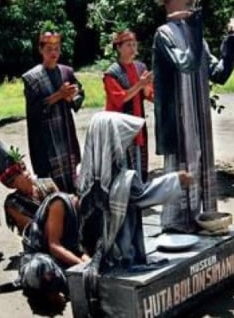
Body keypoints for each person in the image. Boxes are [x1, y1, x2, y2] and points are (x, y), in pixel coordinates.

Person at [153, 0, 234, 233]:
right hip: (179, 124)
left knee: (200, 167)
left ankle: (200, 223)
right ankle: (178, 228)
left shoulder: (196, 38)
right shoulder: (164, 35)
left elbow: (219, 73)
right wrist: (195, 26)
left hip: (199, 122)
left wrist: (233, 40)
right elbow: (187, 64)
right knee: (182, 174)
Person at [77, 112, 192, 270]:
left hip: (95, 249)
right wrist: (177, 180)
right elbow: (143, 194)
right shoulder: (122, 179)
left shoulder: (84, 175)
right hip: (119, 251)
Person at [22, 31, 84, 193]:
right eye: (49, 49)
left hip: (66, 135)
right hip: (45, 141)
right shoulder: (32, 78)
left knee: (73, 184)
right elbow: (33, 111)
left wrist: (71, 98)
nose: (53, 53)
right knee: (51, 190)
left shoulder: (66, 72)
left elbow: (79, 96)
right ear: (41, 50)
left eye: (57, 48)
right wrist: (58, 96)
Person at [18, 192, 87, 306]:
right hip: (43, 257)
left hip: (64, 262)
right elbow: (54, 246)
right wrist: (83, 266)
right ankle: (51, 289)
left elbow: (80, 250)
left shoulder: (89, 214)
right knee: (41, 267)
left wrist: (91, 264)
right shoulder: (60, 203)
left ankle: (61, 287)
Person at [103, 30, 154, 181]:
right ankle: (125, 200)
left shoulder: (140, 68)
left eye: (134, 44)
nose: (132, 48)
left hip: (138, 124)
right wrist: (140, 84)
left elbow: (149, 95)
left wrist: (146, 86)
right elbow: (120, 99)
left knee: (139, 162)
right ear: (118, 48)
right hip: (120, 127)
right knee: (122, 167)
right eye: (128, 45)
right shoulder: (111, 73)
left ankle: (138, 196)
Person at [0, 139, 58, 235]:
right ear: (12, 183)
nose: (26, 173)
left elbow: (64, 207)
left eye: (24, 168)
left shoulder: (48, 183)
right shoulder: (13, 203)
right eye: (19, 173)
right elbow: (32, 230)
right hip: (38, 242)